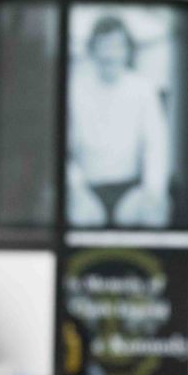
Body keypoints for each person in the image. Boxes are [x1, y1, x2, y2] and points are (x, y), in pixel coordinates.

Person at [68, 15, 171, 227]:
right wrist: (76, 189)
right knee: (75, 214)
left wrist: (152, 191)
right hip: (86, 191)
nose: (111, 54)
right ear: (92, 50)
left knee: (153, 211)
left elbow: (156, 147)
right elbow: (62, 151)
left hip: (131, 191)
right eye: (104, 46)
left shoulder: (143, 90)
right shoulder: (74, 90)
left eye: (117, 46)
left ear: (127, 51)